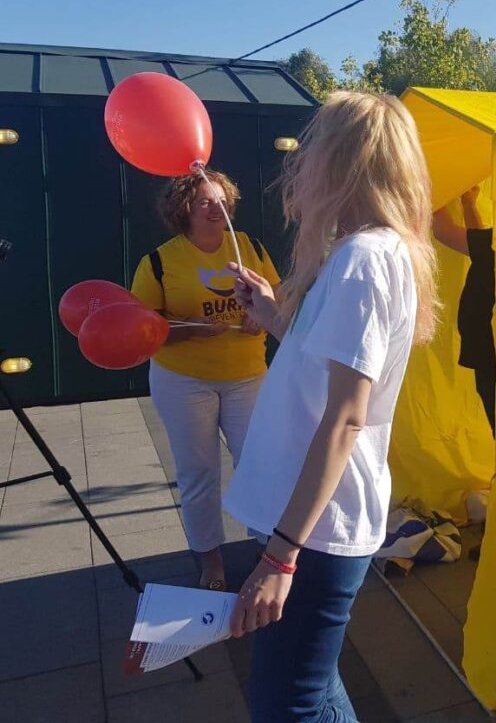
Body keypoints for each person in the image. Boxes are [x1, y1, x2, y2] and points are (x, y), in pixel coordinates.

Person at [222, 92, 439, 723]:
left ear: (343, 164)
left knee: (285, 703)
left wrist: (279, 554)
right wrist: (273, 318)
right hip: (319, 518)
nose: (304, 165)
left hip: (315, 526)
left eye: (316, 150)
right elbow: (335, 371)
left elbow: (346, 416)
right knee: (312, 690)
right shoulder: (378, 251)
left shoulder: (362, 260)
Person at [131, 170, 280, 591]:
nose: (217, 210)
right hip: (184, 380)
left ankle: (269, 550)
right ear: (184, 210)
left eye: (223, 201)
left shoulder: (248, 246)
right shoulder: (159, 261)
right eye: (205, 203)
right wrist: (190, 329)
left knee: (257, 465)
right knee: (199, 473)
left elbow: (278, 296)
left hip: (248, 376)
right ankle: (211, 562)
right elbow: (140, 326)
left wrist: (261, 316)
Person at [432, 187, 496, 433]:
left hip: (493, 351)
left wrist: (435, 190)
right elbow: (478, 243)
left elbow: (443, 231)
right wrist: (468, 203)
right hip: (495, 349)